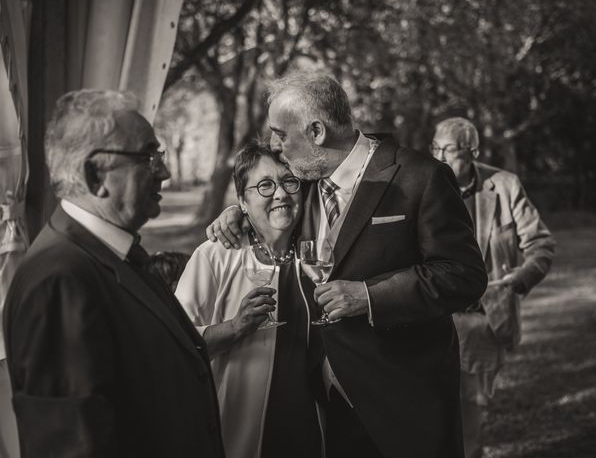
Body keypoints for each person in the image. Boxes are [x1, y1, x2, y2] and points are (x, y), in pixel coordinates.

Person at [208, 72, 488, 457]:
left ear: (317, 131)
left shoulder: (420, 178)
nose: (275, 145)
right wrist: (236, 213)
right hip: (326, 404)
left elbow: (464, 275)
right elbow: (271, 203)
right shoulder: (303, 182)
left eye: (281, 134)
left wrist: (369, 296)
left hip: (404, 399)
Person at [2, 90, 225, 458]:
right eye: (148, 157)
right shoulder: (58, 282)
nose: (165, 172)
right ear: (95, 175)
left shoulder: (114, 253)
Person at [175, 142, 323, 458]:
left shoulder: (319, 256)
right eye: (265, 185)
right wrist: (235, 327)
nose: (281, 193)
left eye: (289, 181)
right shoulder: (216, 255)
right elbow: (172, 344)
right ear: (242, 200)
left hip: (310, 430)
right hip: (236, 429)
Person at [431, 117, 555, 458]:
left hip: (481, 320)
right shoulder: (424, 183)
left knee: (470, 417)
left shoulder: (504, 185)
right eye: (435, 148)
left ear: (472, 151)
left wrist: (521, 277)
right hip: (429, 318)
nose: (440, 158)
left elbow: (541, 244)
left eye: (450, 151)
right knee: (429, 414)